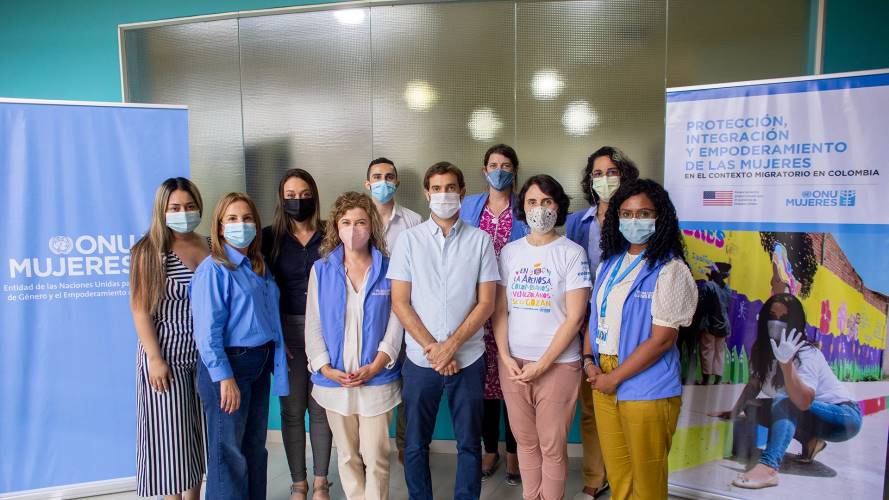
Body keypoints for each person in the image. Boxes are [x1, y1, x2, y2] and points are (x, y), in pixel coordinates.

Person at [388, 162, 500, 500]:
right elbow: (401, 302)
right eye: (436, 189)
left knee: (469, 443)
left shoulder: (481, 241)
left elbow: (486, 303)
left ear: (463, 193)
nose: (443, 195)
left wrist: (450, 346)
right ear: (426, 194)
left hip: (468, 359)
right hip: (421, 362)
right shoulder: (409, 241)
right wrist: (435, 349)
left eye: (451, 188)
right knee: (415, 443)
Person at [584, 179, 698, 500]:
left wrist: (614, 378)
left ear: (660, 217)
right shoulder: (609, 264)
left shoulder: (671, 269)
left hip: (645, 384)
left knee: (647, 484)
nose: (635, 221)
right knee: (620, 477)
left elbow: (662, 340)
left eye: (644, 213)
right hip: (603, 376)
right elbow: (595, 318)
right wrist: (589, 361)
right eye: (627, 214)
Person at [493, 175, 590, 500]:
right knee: (525, 442)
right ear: (522, 207)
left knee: (551, 447)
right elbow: (500, 310)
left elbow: (575, 317)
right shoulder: (509, 253)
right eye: (532, 202)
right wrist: (506, 358)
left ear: (559, 206)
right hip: (514, 367)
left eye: (547, 202)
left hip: (558, 366)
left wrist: (542, 364)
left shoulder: (572, 253)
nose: (540, 209)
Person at [304, 191, 403, 500]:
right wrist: (325, 367)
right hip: (336, 381)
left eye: (360, 222)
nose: (353, 229)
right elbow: (313, 324)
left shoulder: (390, 268)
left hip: (376, 379)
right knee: (348, 456)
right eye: (346, 222)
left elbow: (397, 320)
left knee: (376, 456)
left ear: (371, 225)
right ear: (336, 226)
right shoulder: (321, 271)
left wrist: (378, 363)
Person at [191, 192, 289, 499]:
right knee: (228, 455)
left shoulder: (256, 265)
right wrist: (225, 378)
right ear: (220, 227)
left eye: (247, 218)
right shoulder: (214, 269)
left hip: (257, 365)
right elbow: (207, 333)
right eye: (232, 219)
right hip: (230, 368)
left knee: (254, 449)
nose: (241, 224)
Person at [709, 293, 862, 489]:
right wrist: (733, 411)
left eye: (784, 318)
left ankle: (769, 467)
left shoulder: (806, 352)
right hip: (813, 416)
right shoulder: (762, 349)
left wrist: (786, 364)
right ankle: (810, 440)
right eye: (772, 316)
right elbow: (753, 386)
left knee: (783, 398)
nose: (776, 322)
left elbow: (803, 402)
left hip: (843, 417)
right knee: (753, 406)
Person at [565, 146, 639, 499]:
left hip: (630, 324)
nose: (605, 179)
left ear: (625, 175)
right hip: (586, 326)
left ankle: (626, 474)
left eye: (612, 172)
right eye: (597, 173)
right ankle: (596, 475)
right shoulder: (577, 223)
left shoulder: (638, 217)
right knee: (592, 406)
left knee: (628, 402)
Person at [130, 177, 209, 499]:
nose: (183, 212)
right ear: (162, 210)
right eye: (175, 207)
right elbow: (140, 310)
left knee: (197, 437)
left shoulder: (210, 245)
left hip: (205, 357)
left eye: (189, 207)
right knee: (172, 440)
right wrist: (155, 358)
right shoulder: (148, 251)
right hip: (168, 358)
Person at [261, 169, 334, 500]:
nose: (297, 201)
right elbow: (260, 290)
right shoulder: (267, 238)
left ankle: (321, 482)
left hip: (326, 333)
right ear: (281, 199)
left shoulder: (332, 234)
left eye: (303, 194)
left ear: (314, 196)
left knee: (320, 409)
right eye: (290, 196)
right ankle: (298, 484)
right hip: (285, 335)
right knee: (292, 411)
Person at [460, 144, 527, 483]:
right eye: (493, 164)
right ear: (484, 169)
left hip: (515, 308)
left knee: (513, 380)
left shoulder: (525, 207)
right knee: (483, 384)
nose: (499, 170)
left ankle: (515, 453)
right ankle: (491, 448)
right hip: (476, 306)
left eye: (506, 165)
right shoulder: (469, 205)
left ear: (515, 170)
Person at [363, 157, 422, 464]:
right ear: (367, 183)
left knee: (408, 387)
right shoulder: (357, 220)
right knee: (370, 381)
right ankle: (368, 450)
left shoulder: (413, 221)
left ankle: (404, 446)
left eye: (389, 176)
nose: (383, 181)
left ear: (397, 182)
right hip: (367, 318)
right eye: (377, 176)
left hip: (404, 314)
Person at [697, 262, 732, 385]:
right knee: (719, 351)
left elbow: (703, 305)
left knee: (707, 349)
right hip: (723, 324)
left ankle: (706, 378)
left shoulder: (709, 285)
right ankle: (718, 377)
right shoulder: (727, 289)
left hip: (710, 324)